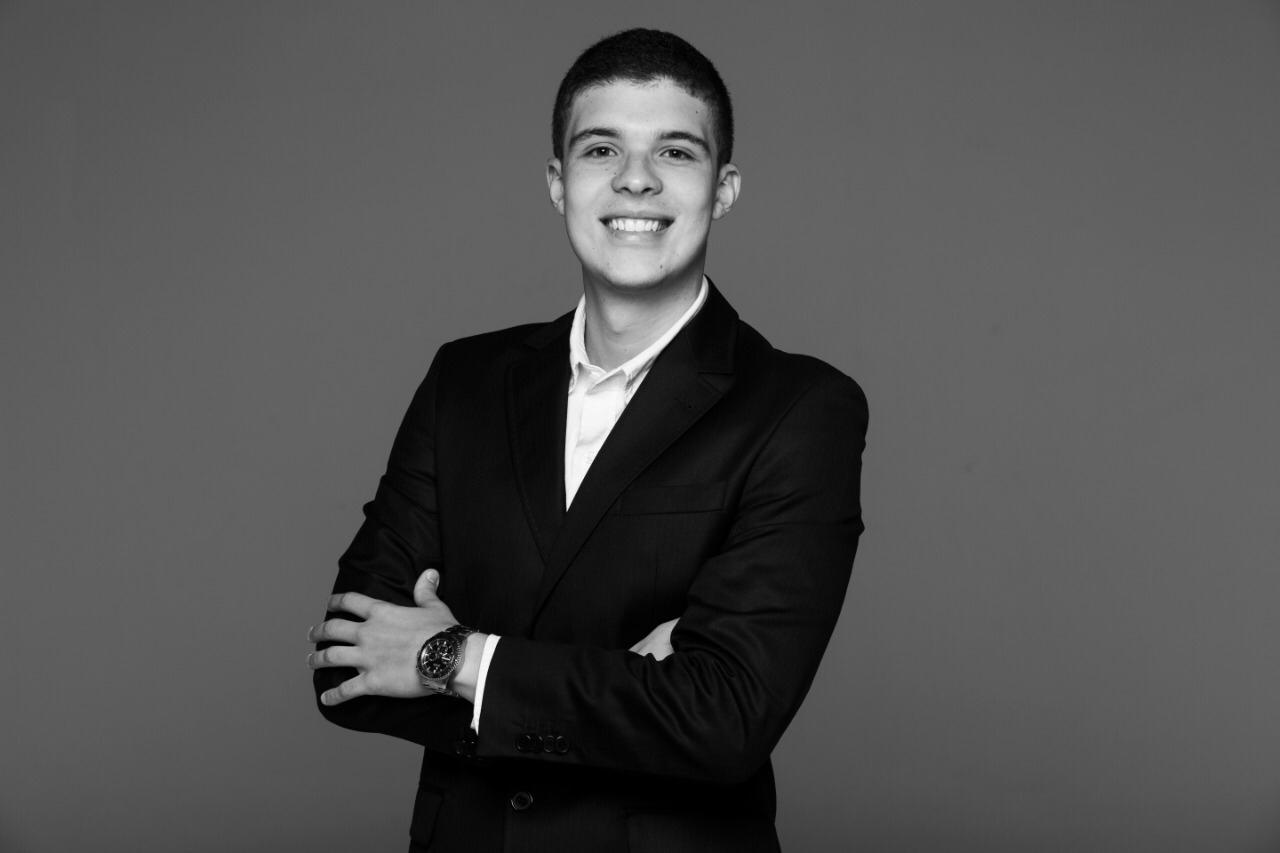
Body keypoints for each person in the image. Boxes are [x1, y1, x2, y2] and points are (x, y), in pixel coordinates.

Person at [308, 27, 868, 853]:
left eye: (675, 151)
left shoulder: (799, 409)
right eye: (601, 148)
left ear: (723, 189)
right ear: (558, 182)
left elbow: (724, 719)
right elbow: (347, 664)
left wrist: (455, 657)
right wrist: (635, 687)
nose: (636, 177)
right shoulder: (465, 382)